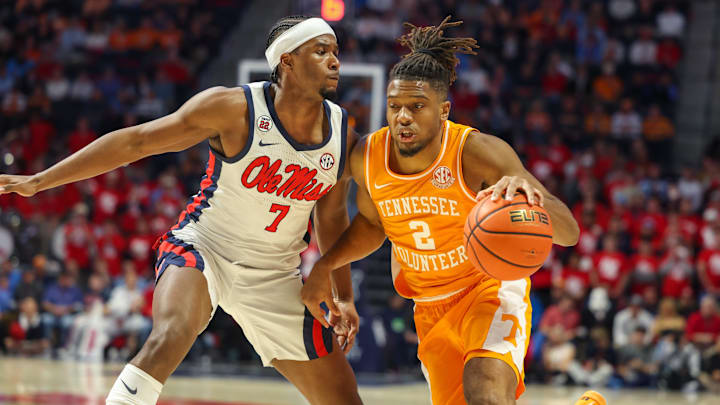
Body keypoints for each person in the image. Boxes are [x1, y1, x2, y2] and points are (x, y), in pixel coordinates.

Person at [0, 15, 363, 405]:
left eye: (336, 52)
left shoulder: (342, 137)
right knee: (171, 335)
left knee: (344, 400)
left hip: (274, 274)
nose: (335, 61)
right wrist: (39, 181)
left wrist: (344, 296)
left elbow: (331, 219)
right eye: (321, 51)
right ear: (287, 61)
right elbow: (135, 143)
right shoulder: (232, 108)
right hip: (204, 247)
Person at [302, 17, 580, 405]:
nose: (403, 117)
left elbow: (569, 233)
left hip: (488, 290)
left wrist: (532, 193)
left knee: (486, 393)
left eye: (417, 107)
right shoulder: (368, 157)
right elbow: (371, 224)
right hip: (428, 307)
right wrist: (326, 266)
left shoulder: (477, 152)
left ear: (444, 110)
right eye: (395, 106)